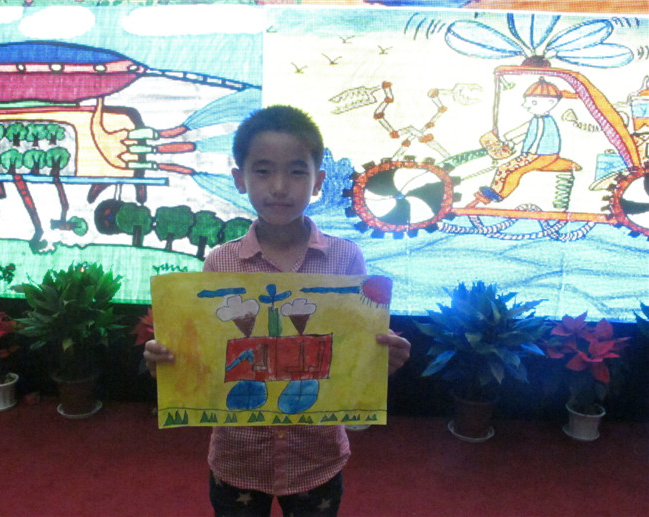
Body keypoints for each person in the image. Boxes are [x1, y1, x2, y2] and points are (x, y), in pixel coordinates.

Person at [144, 105, 410, 516]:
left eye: (297, 172)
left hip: (316, 459)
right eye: (263, 171)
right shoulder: (220, 262)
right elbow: (210, 355)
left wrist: (380, 359)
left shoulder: (346, 259)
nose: (280, 187)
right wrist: (169, 361)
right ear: (240, 179)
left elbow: (353, 354)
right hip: (238, 458)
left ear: (318, 181)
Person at [468, 77, 579, 207]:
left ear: (550, 102)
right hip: (536, 154)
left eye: (533, 102)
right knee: (504, 168)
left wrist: (527, 154)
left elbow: (538, 139)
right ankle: (493, 190)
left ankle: (500, 194)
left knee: (515, 171)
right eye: (527, 101)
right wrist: (511, 141)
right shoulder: (536, 119)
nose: (526, 105)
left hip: (540, 154)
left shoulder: (544, 121)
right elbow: (525, 132)